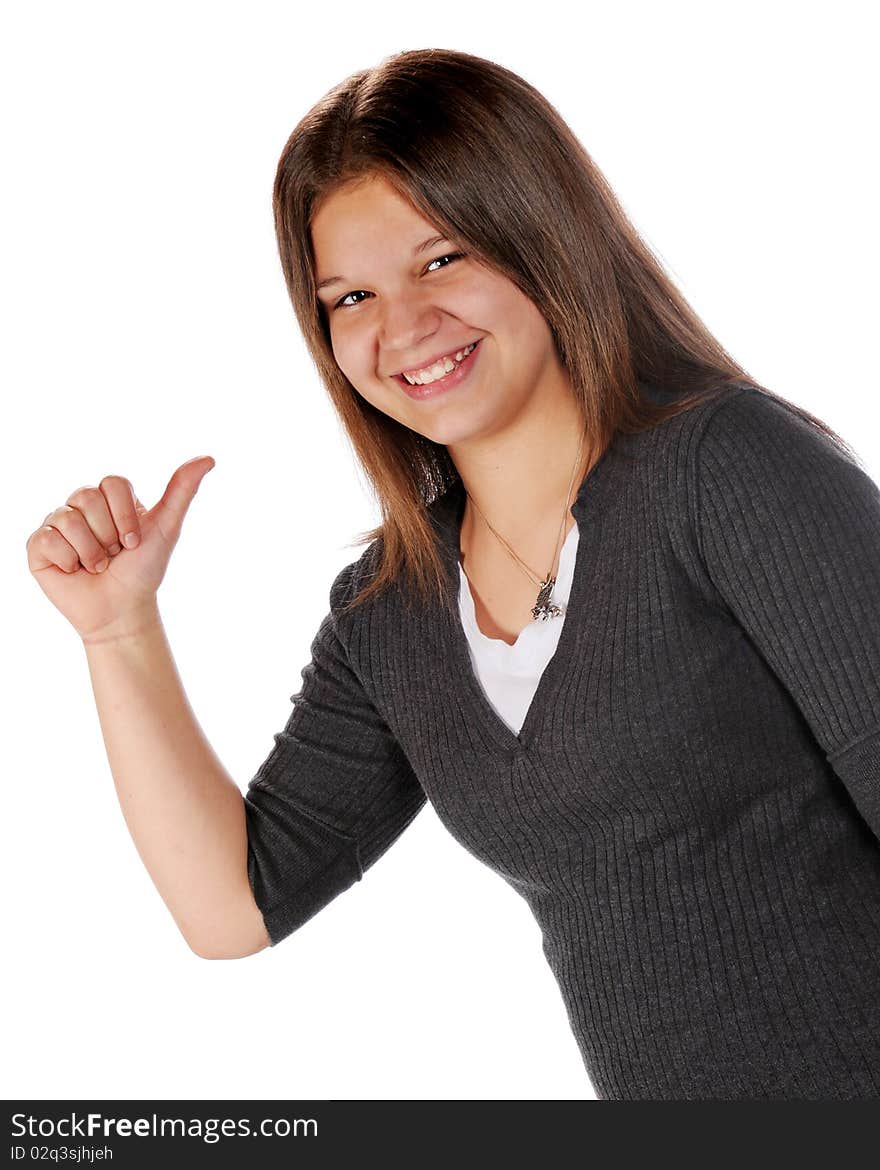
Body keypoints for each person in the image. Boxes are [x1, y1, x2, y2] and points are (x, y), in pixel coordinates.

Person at [26, 48, 880, 1100]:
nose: (400, 328)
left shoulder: (728, 469)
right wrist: (119, 631)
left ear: (545, 238)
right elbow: (233, 909)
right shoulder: (391, 614)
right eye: (348, 296)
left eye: (441, 261)